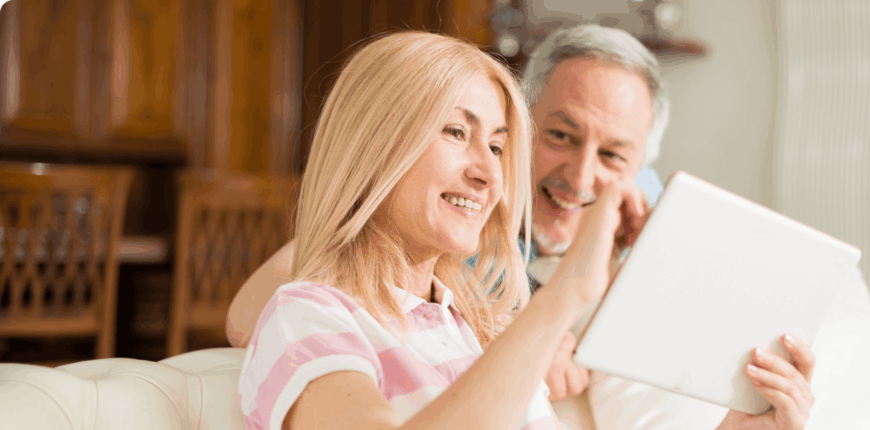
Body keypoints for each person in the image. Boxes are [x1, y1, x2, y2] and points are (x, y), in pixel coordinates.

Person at [238, 29, 821, 430]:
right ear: (374, 144)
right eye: (455, 132)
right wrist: (563, 300)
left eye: (496, 145)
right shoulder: (307, 315)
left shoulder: (470, 329)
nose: (488, 173)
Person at [226, 24, 668, 401]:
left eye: (612, 155)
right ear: (516, 127)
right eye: (559, 136)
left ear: (638, 169)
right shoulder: (450, 220)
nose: (580, 176)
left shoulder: (647, 228)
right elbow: (253, 310)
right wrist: (515, 345)